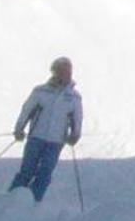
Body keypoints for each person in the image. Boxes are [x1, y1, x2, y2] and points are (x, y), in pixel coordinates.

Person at [8, 57, 82, 203]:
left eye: (67, 71)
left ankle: (34, 202)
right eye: (61, 70)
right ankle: (11, 201)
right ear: (54, 72)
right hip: (36, 137)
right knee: (27, 171)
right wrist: (19, 129)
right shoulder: (41, 91)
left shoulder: (74, 97)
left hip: (56, 141)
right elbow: (27, 110)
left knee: (45, 173)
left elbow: (77, 118)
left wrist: (75, 134)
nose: (64, 74)